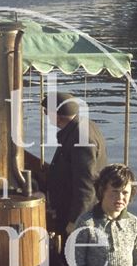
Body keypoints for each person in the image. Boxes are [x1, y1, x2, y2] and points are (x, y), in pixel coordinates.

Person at [67, 164, 137, 266]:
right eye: (115, 191)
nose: (120, 198)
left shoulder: (133, 223)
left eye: (125, 192)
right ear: (102, 190)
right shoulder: (86, 223)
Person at [43, 91, 107, 238]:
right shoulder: (83, 126)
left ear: (57, 116)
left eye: (47, 112)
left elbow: (85, 185)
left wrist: (75, 221)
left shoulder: (81, 140)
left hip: (76, 215)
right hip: (68, 207)